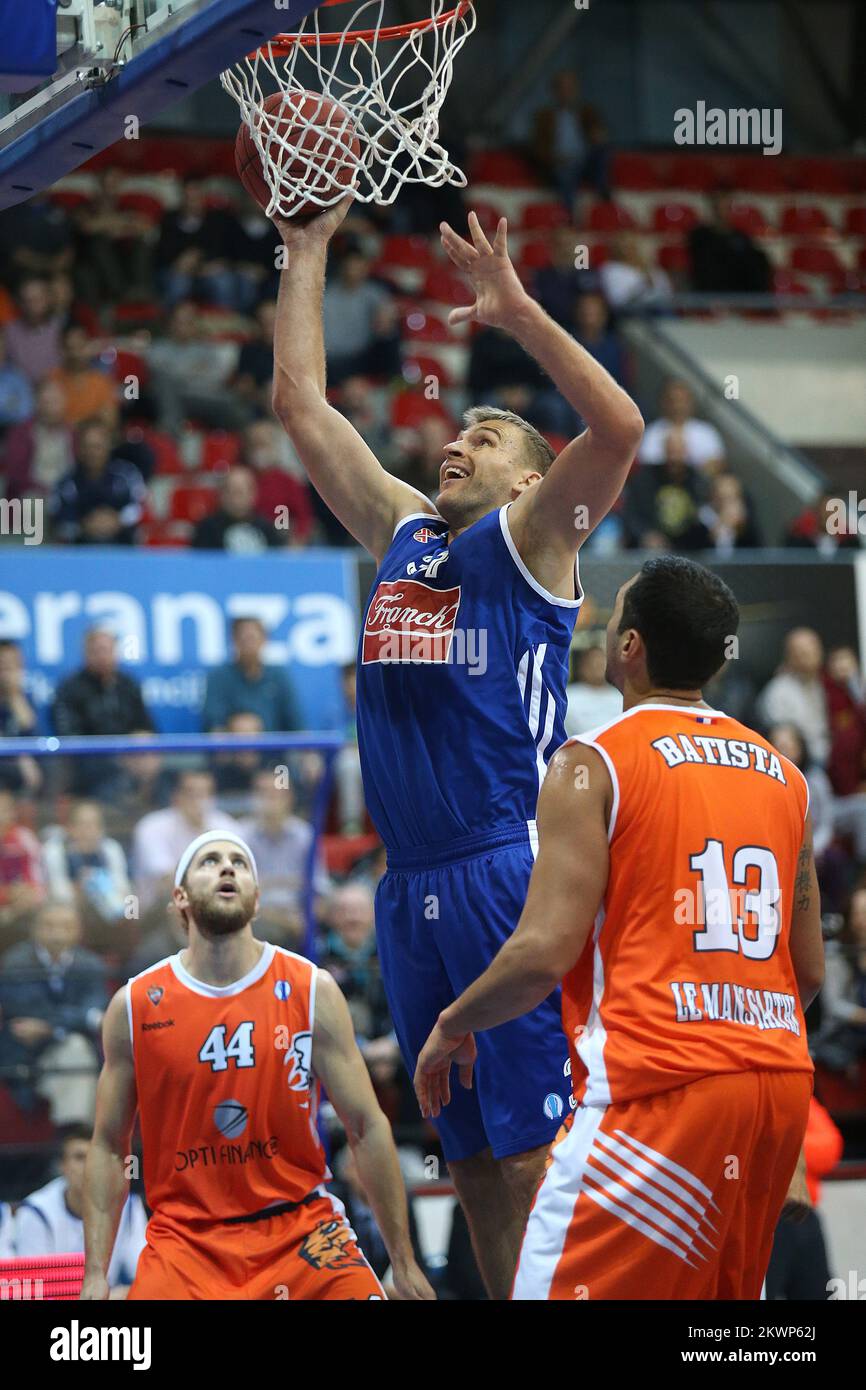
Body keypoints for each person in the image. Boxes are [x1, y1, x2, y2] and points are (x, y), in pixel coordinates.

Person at [272, 198, 643, 1299]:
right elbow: (299, 402)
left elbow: (617, 430)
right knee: (471, 1159)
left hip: (502, 866)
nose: (457, 439)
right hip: (409, 880)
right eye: (457, 428)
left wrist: (518, 311)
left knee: (530, 1151)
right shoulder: (403, 532)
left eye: (486, 436)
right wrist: (307, 248)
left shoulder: (534, 538)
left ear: (531, 480)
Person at [415, 555, 823, 1300]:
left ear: (630, 646)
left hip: (661, 1086)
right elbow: (811, 971)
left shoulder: (593, 762)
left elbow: (542, 952)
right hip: (774, 1091)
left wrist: (453, 1021)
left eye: (614, 617)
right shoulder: (784, 775)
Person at [80, 831, 434, 1301]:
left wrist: (404, 1264)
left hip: (302, 1231)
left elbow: (367, 1126)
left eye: (239, 863)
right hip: (185, 1243)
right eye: (209, 861)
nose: (227, 868)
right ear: (180, 898)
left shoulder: (312, 989)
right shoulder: (135, 1005)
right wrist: (96, 1275)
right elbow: (108, 1145)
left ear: (257, 898)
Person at [0, 900, 108, 1126]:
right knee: (76, 1052)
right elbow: (25, 1011)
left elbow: (97, 1008)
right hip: (28, 1057)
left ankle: (70, 1141)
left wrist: (50, 1026)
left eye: (66, 926)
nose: (57, 934)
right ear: (34, 929)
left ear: (78, 931)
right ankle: (75, 1140)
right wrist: (80, 1019)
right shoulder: (14, 963)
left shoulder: (91, 964)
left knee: (76, 1050)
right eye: (49, 926)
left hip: (79, 1053)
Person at [14, 1125, 147, 1295]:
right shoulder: (36, 1211)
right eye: (80, 1157)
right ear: (62, 1166)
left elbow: (143, 1273)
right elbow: (31, 1290)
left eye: (95, 1157)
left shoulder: (128, 1204)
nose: (89, 1166)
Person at [52, 626, 154, 799]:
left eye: (106, 650)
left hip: (130, 758)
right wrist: (118, 755)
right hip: (89, 761)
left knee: (157, 764)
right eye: (96, 651)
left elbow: (146, 725)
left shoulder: (127, 684)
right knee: (111, 776)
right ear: (86, 654)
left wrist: (142, 741)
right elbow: (69, 734)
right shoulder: (70, 688)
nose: (102, 656)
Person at [239, 769, 330, 948]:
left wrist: (307, 919)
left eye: (276, 794)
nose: (269, 801)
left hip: (299, 919)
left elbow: (320, 890)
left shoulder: (305, 835)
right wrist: (283, 921)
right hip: (256, 920)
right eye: (262, 793)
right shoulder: (242, 835)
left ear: (289, 799)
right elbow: (239, 896)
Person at [131, 769, 239, 918]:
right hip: (157, 914)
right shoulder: (151, 827)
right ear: (176, 797)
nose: (199, 800)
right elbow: (169, 880)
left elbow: (236, 875)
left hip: (213, 908)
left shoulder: (227, 826)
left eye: (205, 793)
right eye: (192, 793)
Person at [49, 417, 146, 546]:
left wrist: (118, 520)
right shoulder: (67, 482)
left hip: (123, 548)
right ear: (79, 449)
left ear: (108, 446)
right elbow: (59, 517)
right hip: (79, 552)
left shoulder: (127, 475)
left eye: (97, 447)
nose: (92, 453)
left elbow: (141, 507)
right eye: (87, 447)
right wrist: (84, 525)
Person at [201, 615, 299, 732]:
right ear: (234, 640)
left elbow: (297, 724)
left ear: (264, 640)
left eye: (252, 638)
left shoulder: (279, 675)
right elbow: (214, 726)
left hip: (273, 748)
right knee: (244, 725)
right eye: (243, 639)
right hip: (230, 748)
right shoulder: (218, 677)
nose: (248, 645)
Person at [758, 628, 830, 768]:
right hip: (802, 766)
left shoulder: (828, 684)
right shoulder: (778, 690)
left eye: (812, 649)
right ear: (789, 656)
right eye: (800, 652)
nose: (807, 655)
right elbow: (783, 743)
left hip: (834, 760)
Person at [688, 188, 772, 295]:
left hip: (740, 292)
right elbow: (702, 267)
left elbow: (754, 265)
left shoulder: (740, 236)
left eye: (726, 205)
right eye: (718, 205)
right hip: (710, 292)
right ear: (712, 207)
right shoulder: (699, 235)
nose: (722, 209)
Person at [2, 377, 74, 501]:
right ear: (37, 403)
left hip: (65, 494)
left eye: (56, 401)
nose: (52, 408)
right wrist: (45, 491)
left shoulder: (72, 434)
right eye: (47, 402)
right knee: (33, 504)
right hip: (31, 494)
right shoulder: (21, 434)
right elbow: (16, 475)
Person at [639, 378, 726, 473]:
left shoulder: (706, 432)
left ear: (691, 401)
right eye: (672, 400)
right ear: (663, 402)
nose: (678, 405)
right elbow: (645, 466)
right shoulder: (652, 433)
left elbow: (717, 466)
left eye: (682, 400)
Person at [190, 467, 281, 553]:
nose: (235, 498)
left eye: (240, 492)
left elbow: (276, 564)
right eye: (230, 491)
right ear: (222, 494)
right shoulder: (207, 529)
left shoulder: (267, 529)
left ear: (253, 494)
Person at [47, 324, 119, 428]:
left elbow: (110, 421)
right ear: (62, 350)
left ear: (88, 346)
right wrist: (91, 418)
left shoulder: (101, 382)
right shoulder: (52, 380)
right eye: (70, 348)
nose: (76, 353)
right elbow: (50, 420)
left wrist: (76, 423)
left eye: (80, 346)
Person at [564, 643, 622, 737]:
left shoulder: (619, 697)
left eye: (601, 662)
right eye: (593, 662)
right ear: (582, 667)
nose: (597, 666)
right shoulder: (568, 696)